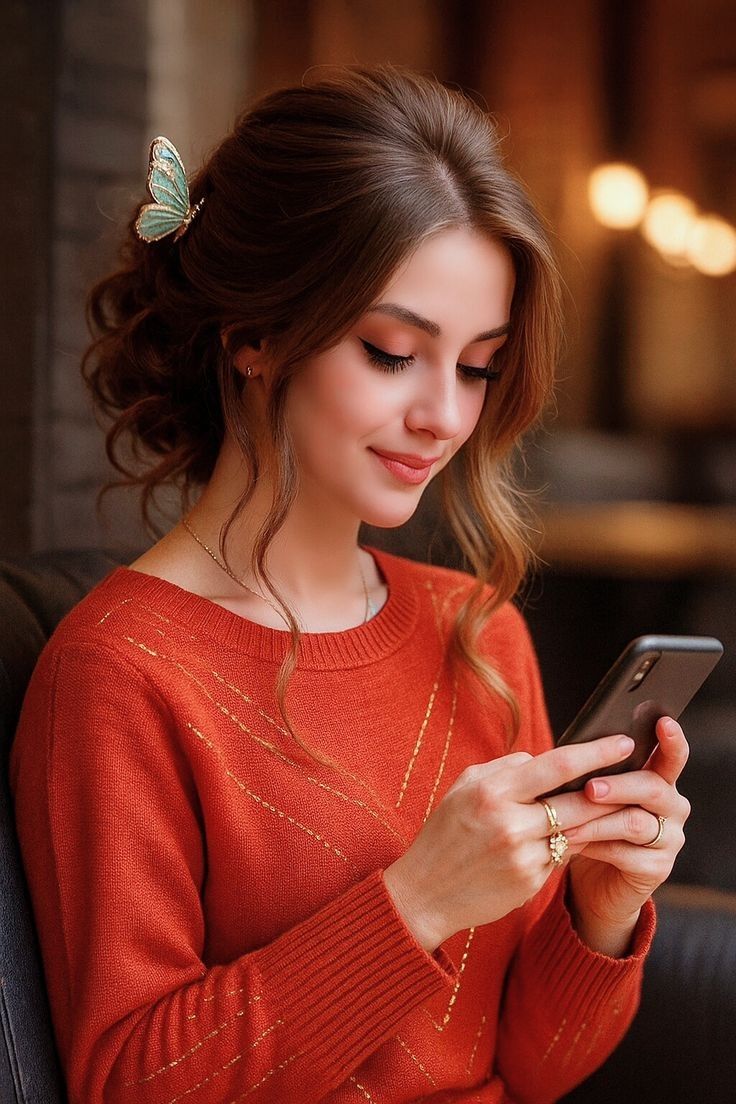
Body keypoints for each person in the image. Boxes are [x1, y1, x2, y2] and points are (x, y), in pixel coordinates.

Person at [11, 66, 690, 1104]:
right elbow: (131, 1083)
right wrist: (415, 901)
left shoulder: (476, 630)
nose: (444, 418)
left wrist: (597, 909)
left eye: (475, 367)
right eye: (392, 353)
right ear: (253, 336)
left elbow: (536, 1067)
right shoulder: (120, 674)